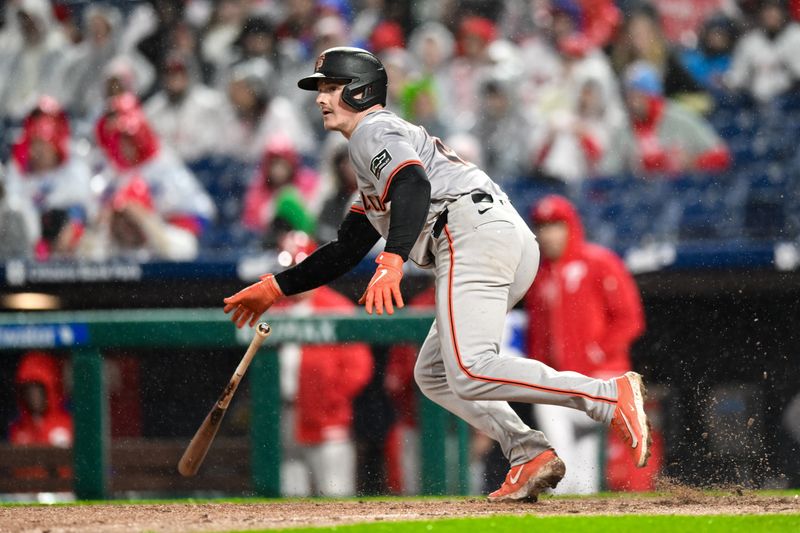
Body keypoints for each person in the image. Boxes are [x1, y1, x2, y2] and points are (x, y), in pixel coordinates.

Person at [223, 46, 652, 502]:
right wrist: (276, 286)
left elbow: (412, 184)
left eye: (331, 88)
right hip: (495, 235)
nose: (321, 99)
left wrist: (393, 259)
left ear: (360, 90)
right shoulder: (376, 147)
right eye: (321, 90)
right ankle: (528, 451)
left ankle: (606, 396)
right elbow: (348, 246)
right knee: (435, 373)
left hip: (469, 232)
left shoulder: (371, 129)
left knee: (469, 368)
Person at [525, 195, 646, 494]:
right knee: (581, 480)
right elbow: (537, 337)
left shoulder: (599, 262)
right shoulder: (538, 275)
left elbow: (630, 319)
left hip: (602, 378)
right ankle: (569, 500)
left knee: (551, 414)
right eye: (543, 226)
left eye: (556, 225)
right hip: (566, 381)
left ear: (571, 227)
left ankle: (559, 483)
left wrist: (597, 352)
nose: (549, 234)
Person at [273, 232, 373, 497]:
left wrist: (326, 399)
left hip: (327, 415)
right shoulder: (274, 309)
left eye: (300, 265)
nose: (295, 272)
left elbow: (358, 370)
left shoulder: (337, 308)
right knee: (289, 493)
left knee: (335, 492)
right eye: (289, 266)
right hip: (283, 412)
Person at [10, 351, 73, 447]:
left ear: (50, 391)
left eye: (38, 391)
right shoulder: (18, 429)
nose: (33, 396)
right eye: (28, 391)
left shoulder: (68, 423)